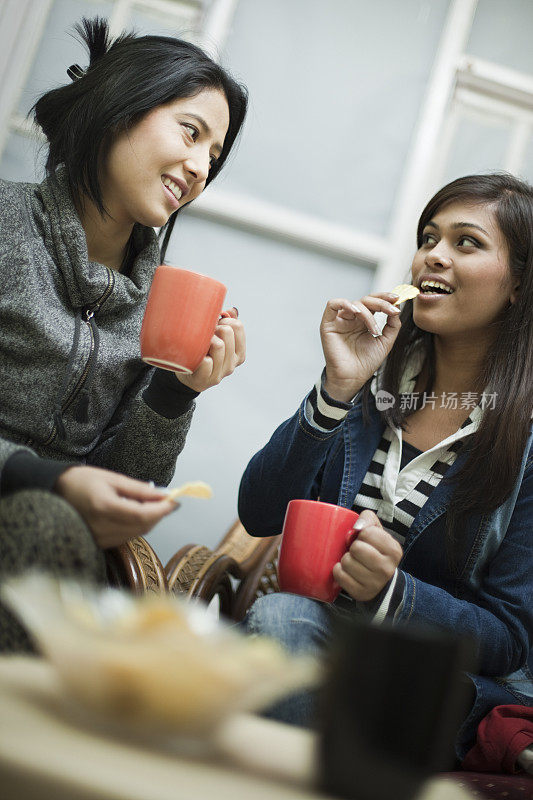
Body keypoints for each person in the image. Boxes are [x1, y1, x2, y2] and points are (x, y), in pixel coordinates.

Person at [238, 173, 533, 760]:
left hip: (422, 682)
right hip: (309, 636)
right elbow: (260, 511)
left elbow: (511, 641)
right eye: (429, 238)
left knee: (280, 624)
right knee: (281, 619)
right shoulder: (372, 389)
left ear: (519, 285)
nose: (434, 256)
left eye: (465, 243)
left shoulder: (524, 444)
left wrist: (392, 594)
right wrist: (336, 390)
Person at [0, 17, 248, 651]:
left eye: (213, 157)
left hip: (58, 548)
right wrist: (42, 478)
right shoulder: (6, 226)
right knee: (44, 524)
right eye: (191, 133)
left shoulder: (158, 302)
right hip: (35, 523)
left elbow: (121, 477)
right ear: (120, 111)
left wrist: (175, 393)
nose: (198, 168)